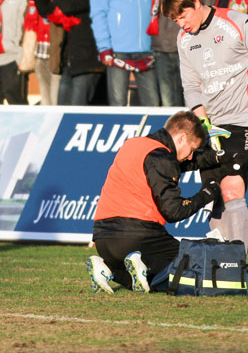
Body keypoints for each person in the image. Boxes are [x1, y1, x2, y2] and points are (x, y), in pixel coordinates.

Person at [163, 0, 248, 251]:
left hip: (244, 124)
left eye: (182, 16)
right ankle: (221, 266)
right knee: (215, 196)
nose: (180, 24)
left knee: (232, 189)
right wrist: (203, 123)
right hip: (210, 128)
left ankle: (238, 263)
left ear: (196, 3)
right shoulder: (184, 39)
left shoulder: (238, 22)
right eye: (175, 20)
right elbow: (191, 86)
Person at [86, 110, 221, 294]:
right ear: (181, 138)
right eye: (192, 149)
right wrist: (207, 193)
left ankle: (109, 269)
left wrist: (215, 157)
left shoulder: (134, 144)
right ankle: (145, 264)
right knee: (192, 261)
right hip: (137, 236)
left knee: (146, 284)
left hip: (104, 240)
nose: (191, 156)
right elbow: (174, 211)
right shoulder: (161, 157)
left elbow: (178, 163)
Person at [33, 0, 103, 105]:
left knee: (77, 109)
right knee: (62, 109)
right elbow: (48, 11)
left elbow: (69, 8)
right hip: (70, 62)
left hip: (87, 63)